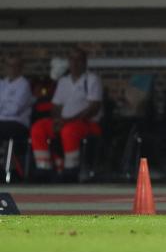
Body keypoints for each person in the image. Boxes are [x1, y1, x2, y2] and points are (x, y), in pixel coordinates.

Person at [30, 48, 103, 181]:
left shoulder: (92, 79)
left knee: (69, 130)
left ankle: (71, 169)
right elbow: (56, 106)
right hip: (63, 121)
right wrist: (57, 120)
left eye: (79, 60)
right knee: (38, 127)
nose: (75, 63)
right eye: (72, 59)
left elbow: (94, 107)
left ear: (85, 62)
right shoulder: (64, 81)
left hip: (86, 123)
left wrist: (68, 121)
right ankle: (43, 168)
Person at [0, 56, 33, 146]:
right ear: (5, 67)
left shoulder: (24, 85)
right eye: (9, 65)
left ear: (20, 67)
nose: (12, 68)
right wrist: (6, 104)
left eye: (15, 65)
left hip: (17, 123)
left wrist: (2, 105)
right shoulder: (2, 83)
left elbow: (14, 110)